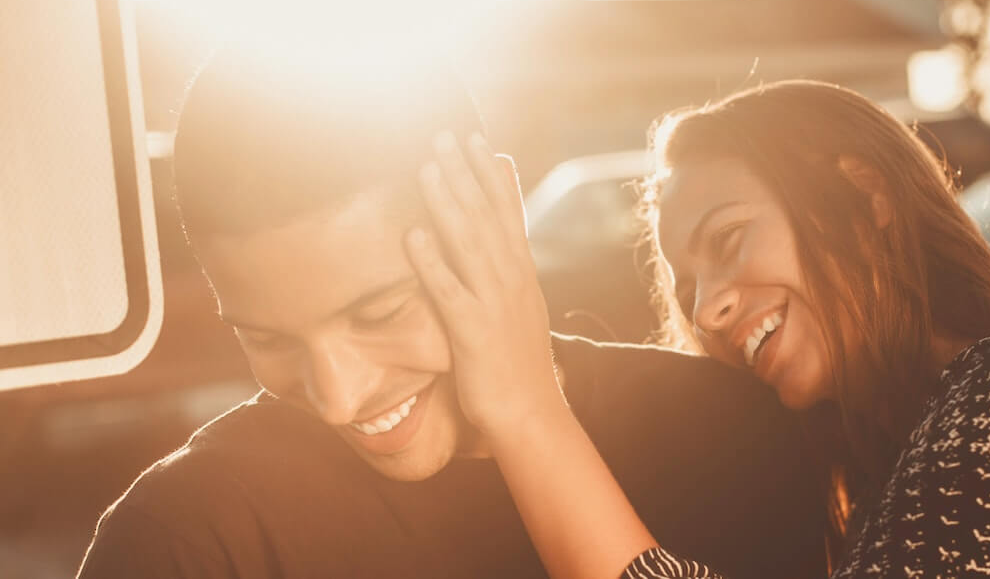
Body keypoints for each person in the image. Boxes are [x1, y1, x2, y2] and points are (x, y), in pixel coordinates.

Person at [75, 40, 833, 578]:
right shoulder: (183, 539)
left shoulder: (725, 435)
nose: (338, 396)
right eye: (266, 337)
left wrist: (524, 413)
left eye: (379, 312)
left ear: (495, 213)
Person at [414, 79, 990, 578]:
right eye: (686, 287)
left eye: (727, 242)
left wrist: (526, 411)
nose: (708, 308)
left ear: (865, 200)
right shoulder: (889, 476)